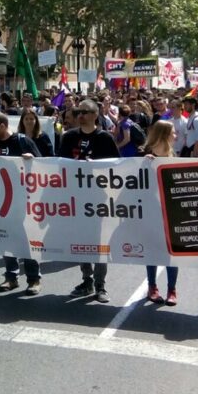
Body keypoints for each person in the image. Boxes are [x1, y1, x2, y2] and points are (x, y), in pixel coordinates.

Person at [59, 99, 118, 303]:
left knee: (99, 243)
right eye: (78, 112)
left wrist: (97, 167)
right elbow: (60, 164)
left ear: (95, 114)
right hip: (75, 198)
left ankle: (101, 285)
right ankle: (87, 280)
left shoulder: (104, 138)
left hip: (98, 198)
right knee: (82, 241)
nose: (80, 115)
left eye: (85, 112)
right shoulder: (68, 137)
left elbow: (117, 167)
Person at [0, 112, 42, 294]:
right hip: (3, 200)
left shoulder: (22, 141)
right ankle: (11, 277)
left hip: (23, 199)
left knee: (25, 239)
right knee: (5, 237)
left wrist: (32, 159)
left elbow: (44, 165)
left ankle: (34, 279)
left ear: (2, 126)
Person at [142, 120, 179, 304]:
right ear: (164, 135)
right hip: (151, 213)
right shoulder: (144, 157)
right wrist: (143, 166)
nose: (176, 136)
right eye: (173, 132)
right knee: (152, 252)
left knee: (172, 253)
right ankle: (152, 286)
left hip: (171, 213)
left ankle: (172, 289)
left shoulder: (174, 157)